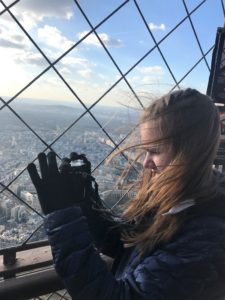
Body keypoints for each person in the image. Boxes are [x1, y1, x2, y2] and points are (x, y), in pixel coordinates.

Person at [27, 88, 225, 300]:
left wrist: (63, 218)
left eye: (155, 151)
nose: (145, 162)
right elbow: (126, 245)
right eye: (145, 150)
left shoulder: (208, 238)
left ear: (190, 152)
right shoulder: (184, 197)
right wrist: (85, 204)